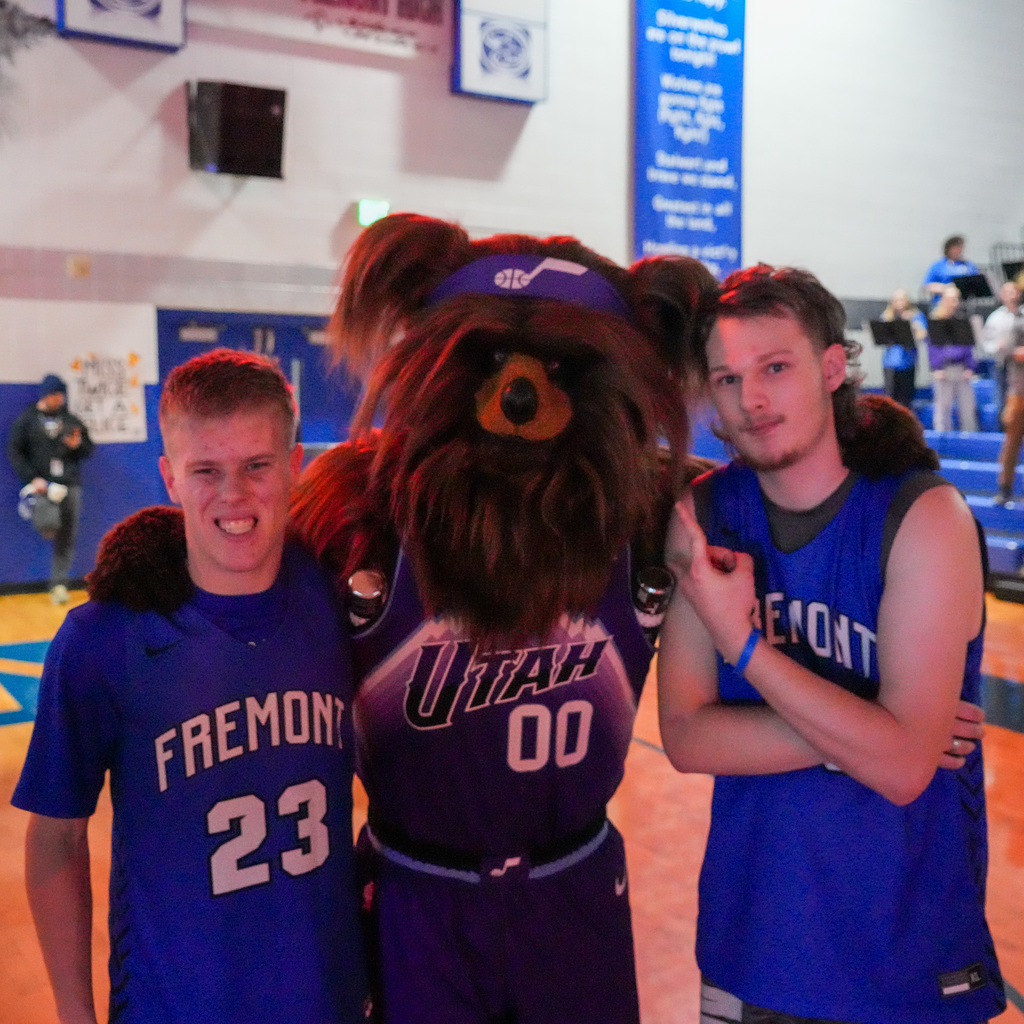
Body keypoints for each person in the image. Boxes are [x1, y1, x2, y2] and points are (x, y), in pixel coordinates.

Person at [657, 264, 1005, 1024]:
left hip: (905, 958)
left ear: (831, 366)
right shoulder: (704, 515)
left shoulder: (924, 519)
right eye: (726, 378)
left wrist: (740, 645)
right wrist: (870, 734)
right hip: (750, 945)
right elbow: (685, 736)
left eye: (774, 369)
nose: (750, 399)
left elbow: (906, 772)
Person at [11, 350, 367, 1024]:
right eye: (206, 471)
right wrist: (73, 1014)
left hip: (331, 999)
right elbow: (55, 838)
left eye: (257, 466)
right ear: (170, 477)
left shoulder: (337, 602)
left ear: (294, 468)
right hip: (174, 1004)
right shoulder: (101, 640)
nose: (233, 496)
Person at [6, 374, 94, 603]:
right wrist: (31, 479)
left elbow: (88, 448)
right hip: (42, 486)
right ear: (46, 395)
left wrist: (78, 446)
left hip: (69, 484)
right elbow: (14, 451)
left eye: (62, 395)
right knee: (48, 525)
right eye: (56, 395)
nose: (60, 400)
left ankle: (59, 585)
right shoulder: (26, 420)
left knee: (67, 535)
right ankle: (34, 508)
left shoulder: (71, 420)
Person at [984, 280, 1024, 504]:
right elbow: (987, 344)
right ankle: (1005, 488)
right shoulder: (996, 318)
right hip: (1016, 385)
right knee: (1010, 442)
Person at [928, 283, 979, 431]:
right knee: (943, 407)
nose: (953, 302)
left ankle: (970, 439)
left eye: (956, 299)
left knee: (967, 407)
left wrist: (970, 367)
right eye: (950, 299)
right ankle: (942, 440)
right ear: (943, 300)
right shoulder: (935, 321)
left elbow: (969, 346)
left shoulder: (962, 321)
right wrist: (937, 368)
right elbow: (932, 348)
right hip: (944, 369)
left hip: (961, 369)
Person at [879, 287, 926, 408]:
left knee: (906, 399)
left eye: (902, 299)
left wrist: (911, 322)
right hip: (890, 363)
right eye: (896, 300)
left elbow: (923, 335)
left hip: (908, 363)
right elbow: (880, 338)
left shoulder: (916, 315)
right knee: (889, 398)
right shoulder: (886, 316)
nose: (899, 303)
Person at [922, 234, 979, 306]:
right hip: (942, 304)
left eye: (960, 248)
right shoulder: (938, 265)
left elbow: (978, 284)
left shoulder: (969, 265)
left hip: (965, 303)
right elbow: (928, 285)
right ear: (949, 248)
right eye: (955, 247)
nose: (958, 250)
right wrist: (947, 288)